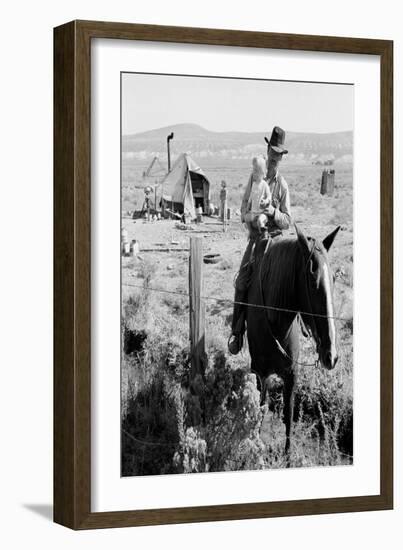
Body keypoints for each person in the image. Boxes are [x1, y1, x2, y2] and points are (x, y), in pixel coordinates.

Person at [228, 126, 292, 355]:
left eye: (278, 155)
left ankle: (306, 331)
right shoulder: (254, 179)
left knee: (295, 284)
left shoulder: (282, 186)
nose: (274, 158)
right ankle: (237, 332)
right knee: (242, 280)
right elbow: (243, 208)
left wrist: (273, 211)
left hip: (275, 242)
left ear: (282, 157)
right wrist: (248, 218)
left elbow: (287, 221)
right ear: (267, 150)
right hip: (256, 240)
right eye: (272, 152)